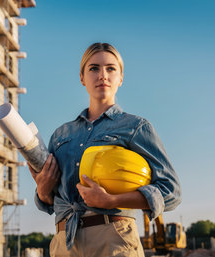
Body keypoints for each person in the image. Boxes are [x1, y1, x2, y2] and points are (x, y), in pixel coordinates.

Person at [29, 42, 181, 257]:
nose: (103, 75)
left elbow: (171, 192)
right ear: (82, 78)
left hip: (114, 240)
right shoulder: (61, 135)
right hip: (64, 243)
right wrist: (43, 190)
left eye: (111, 68)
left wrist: (112, 201)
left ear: (121, 77)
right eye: (94, 68)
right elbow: (51, 201)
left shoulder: (136, 127)